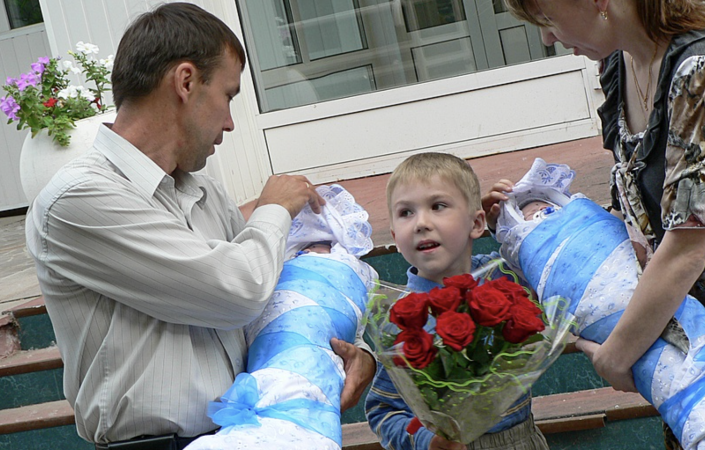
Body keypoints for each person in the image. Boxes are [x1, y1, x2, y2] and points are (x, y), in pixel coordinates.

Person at [24, 3, 374, 449]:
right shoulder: (77, 199)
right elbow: (238, 289)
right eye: (228, 96)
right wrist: (275, 209)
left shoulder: (202, 190)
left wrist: (357, 349)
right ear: (186, 82)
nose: (229, 122)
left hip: (245, 431)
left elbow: (275, 292)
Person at [502, 0, 705, 448]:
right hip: (676, 315)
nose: (547, 37)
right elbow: (643, 213)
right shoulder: (619, 64)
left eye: (546, 17)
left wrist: (616, 355)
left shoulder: (704, 70)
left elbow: (686, 249)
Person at [485, 158, 705, 449]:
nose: (542, 215)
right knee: (678, 383)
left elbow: (687, 250)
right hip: (649, 294)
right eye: (533, 214)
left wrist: (614, 356)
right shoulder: (614, 107)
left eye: (545, 209)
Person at [365, 152, 550, 450]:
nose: (421, 223)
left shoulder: (503, 275)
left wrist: (500, 224)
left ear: (475, 223)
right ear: (395, 237)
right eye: (406, 213)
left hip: (519, 440)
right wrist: (427, 441)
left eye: (438, 206)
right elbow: (383, 411)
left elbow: (541, 261)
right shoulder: (398, 319)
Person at [188, 184, 377, 450]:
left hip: (264, 396)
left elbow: (340, 317)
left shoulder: (212, 199)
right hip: (240, 403)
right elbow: (246, 282)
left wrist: (364, 356)